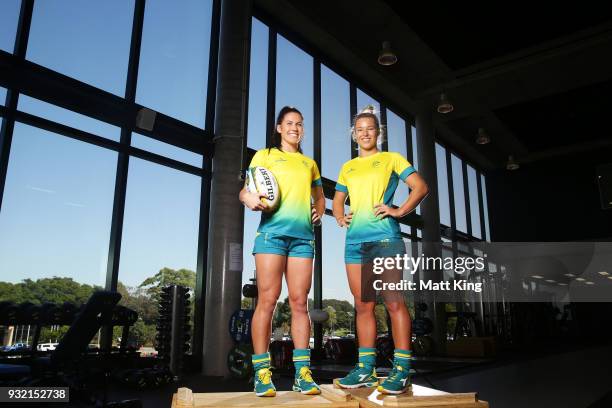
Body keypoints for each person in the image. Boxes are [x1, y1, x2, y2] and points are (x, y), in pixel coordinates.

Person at [332, 106, 429, 395]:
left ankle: (402, 370)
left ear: (379, 133)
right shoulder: (348, 167)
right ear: (354, 134)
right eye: (359, 129)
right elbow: (338, 200)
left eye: (370, 128)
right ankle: (365, 369)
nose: (364, 133)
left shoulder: (391, 159)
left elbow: (420, 187)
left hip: (385, 240)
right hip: (354, 244)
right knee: (363, 305)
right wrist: (339, 215)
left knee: (393, 302)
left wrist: (399, 211)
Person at [239, 106, 325, 397]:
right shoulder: (264, 155)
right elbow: (244, 190)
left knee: (300, 303)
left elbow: (320, 195)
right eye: (290, 123)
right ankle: (262, 373)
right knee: (267, 301)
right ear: (279, 127)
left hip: (303, 239)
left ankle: (302, 373)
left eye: (300, 124)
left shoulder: (309, 163)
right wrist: (249, 197)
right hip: (272, 236)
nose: (295, 128)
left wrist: (320, 210)